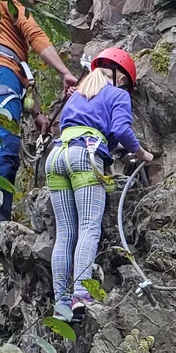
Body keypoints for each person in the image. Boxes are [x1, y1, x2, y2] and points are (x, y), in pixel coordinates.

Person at [0, 0, 79, 249]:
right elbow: (36, 36)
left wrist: (38, 116)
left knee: (7, 144)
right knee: (4, 142)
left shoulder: (2, 19)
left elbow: (22, 73)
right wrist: (66, 74)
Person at [46, 47, 151, 322]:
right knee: (88, 228)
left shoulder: (77, 96)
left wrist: (112, 148)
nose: (125, 87)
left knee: (65, 233)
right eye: (125, 82)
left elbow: (92, 130)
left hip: (56, 157)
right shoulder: (117, 95)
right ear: (118, 76)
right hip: (84, 156)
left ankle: (61, 304)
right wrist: (142, 154)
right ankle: (81, 294)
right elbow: (121, 130)